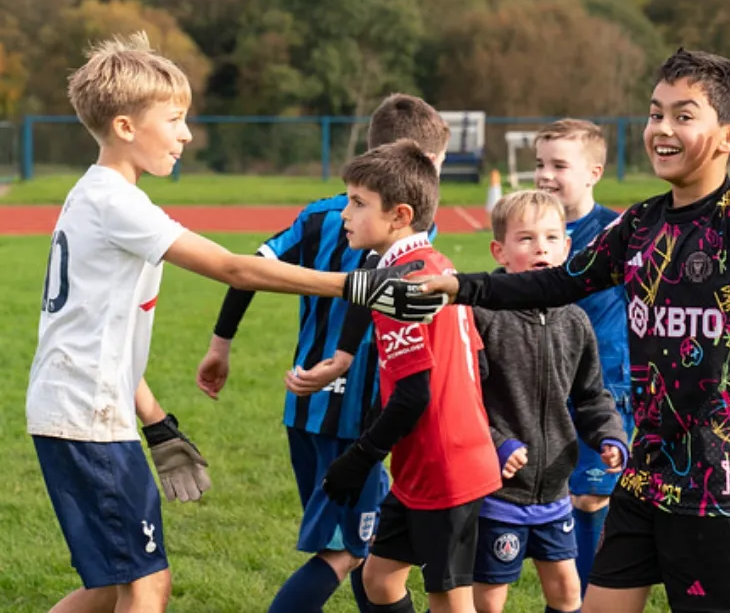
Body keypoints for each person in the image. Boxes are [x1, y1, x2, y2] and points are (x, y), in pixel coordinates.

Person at [26, 33, 439, 613]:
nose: (186, 134)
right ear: (125, 127)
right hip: (84, 417)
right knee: (147, 585)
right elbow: (232, 266)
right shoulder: (115, 203)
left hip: (83, 409)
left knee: (110, 586)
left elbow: (98, 335)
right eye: (174, 120)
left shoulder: (95, 197)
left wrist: (156, 423)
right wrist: (357, 284)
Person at [412, 48, 730, 613]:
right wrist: (460, 287)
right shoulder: (638, 225)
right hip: (646, 476)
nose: (662, 129)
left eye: (684, 115)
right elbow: (555, 284)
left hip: (726, 489)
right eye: (656, 114)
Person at [195, 94, 451, 613]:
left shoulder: (318, 215)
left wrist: (221, 343)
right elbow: (376, 291)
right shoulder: (404, 225)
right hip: (360, 417)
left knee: (364, 544)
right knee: (346, 548)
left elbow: (252, 267)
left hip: (305, 409)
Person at [321, 140, 502, 613]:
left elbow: (413, 394)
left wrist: (359, 457)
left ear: (399, 215)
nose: (345, 213)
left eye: (358, 203)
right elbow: (475, 365)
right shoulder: (435, 266)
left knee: (449, 597)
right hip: (426, 461)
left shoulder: (400, 287)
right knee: (380, 579)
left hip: (446, 463)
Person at [470, 190, 628, 613]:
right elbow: (465, 401)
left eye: (552, 237)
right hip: (497, 493)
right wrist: (498, 442)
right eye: (526, 239)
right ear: (499, 251)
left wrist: (610, 435)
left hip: (555, 490)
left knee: (566, 591)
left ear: (567, 247)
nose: (541, 246)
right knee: (489, 597)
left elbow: (592, 394)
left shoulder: (575, 321)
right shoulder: (483, 315)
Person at [534, 120, 634, 593]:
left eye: (559, 165)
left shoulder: (617, 230)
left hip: (602, 386)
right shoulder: (532, 227)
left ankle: (587, 600)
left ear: (594, 172)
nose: (545, 175)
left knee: (590, 497)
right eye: (539, 164)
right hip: (540, 387)